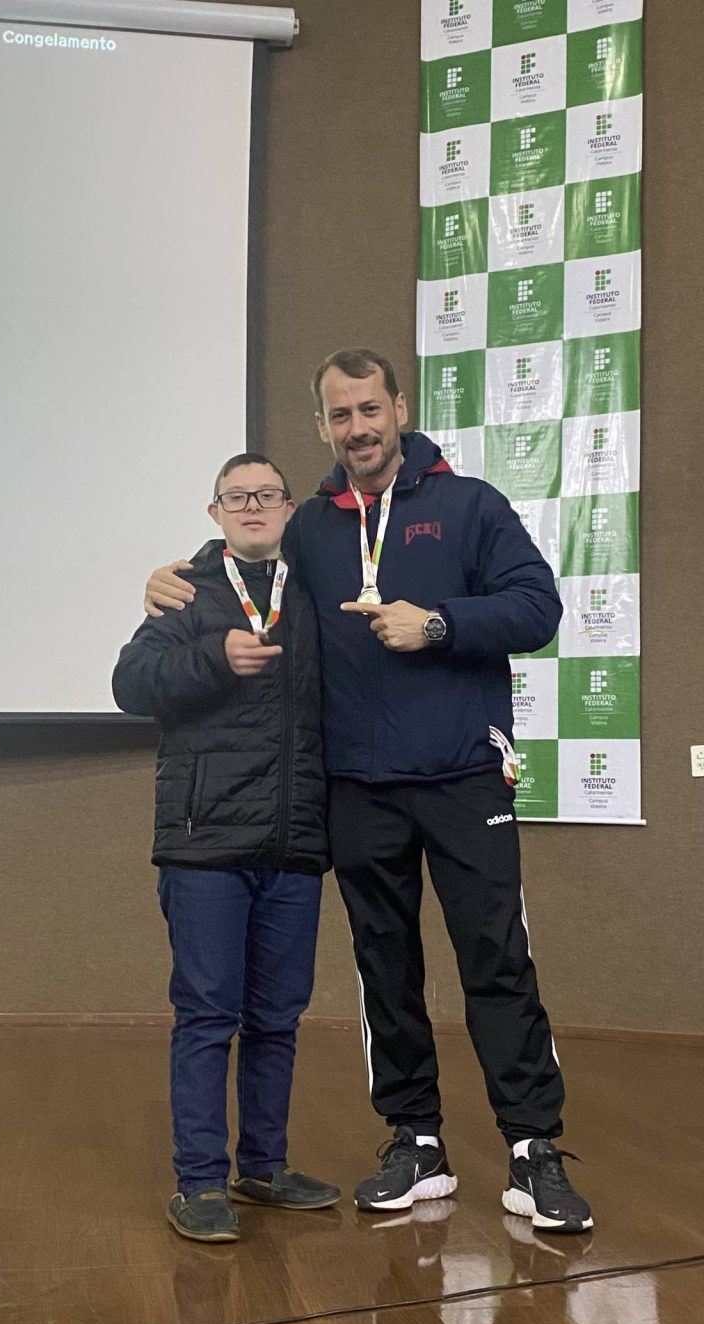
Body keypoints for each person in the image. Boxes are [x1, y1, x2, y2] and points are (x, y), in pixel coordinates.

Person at [142, 350, 593, 1235]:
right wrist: (173, 577)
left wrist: (439, 623)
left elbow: (538, 608)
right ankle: (416, 1138)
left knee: (496, 959)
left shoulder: (471, 505)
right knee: (386, 968)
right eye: (340, 414)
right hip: (357, 787)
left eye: (370, 409)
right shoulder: (311, 524)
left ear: (400, 409)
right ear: (323, 426)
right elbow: (245, 555)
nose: (358, 428)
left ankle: (533, 1145)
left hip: (463, 776)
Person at [112, 453, 339, 1244]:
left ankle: (264, 1167)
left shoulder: (312, 592)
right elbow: (130, 683)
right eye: (236, 496)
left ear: (287, 509)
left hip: (293, 842)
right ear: (216, 513)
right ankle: (200, 1181)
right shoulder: (186, 590)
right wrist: (214, 658)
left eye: (266, 495)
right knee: (208, 1015)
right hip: (204, 842)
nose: (252, 506)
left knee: (277, 1017)